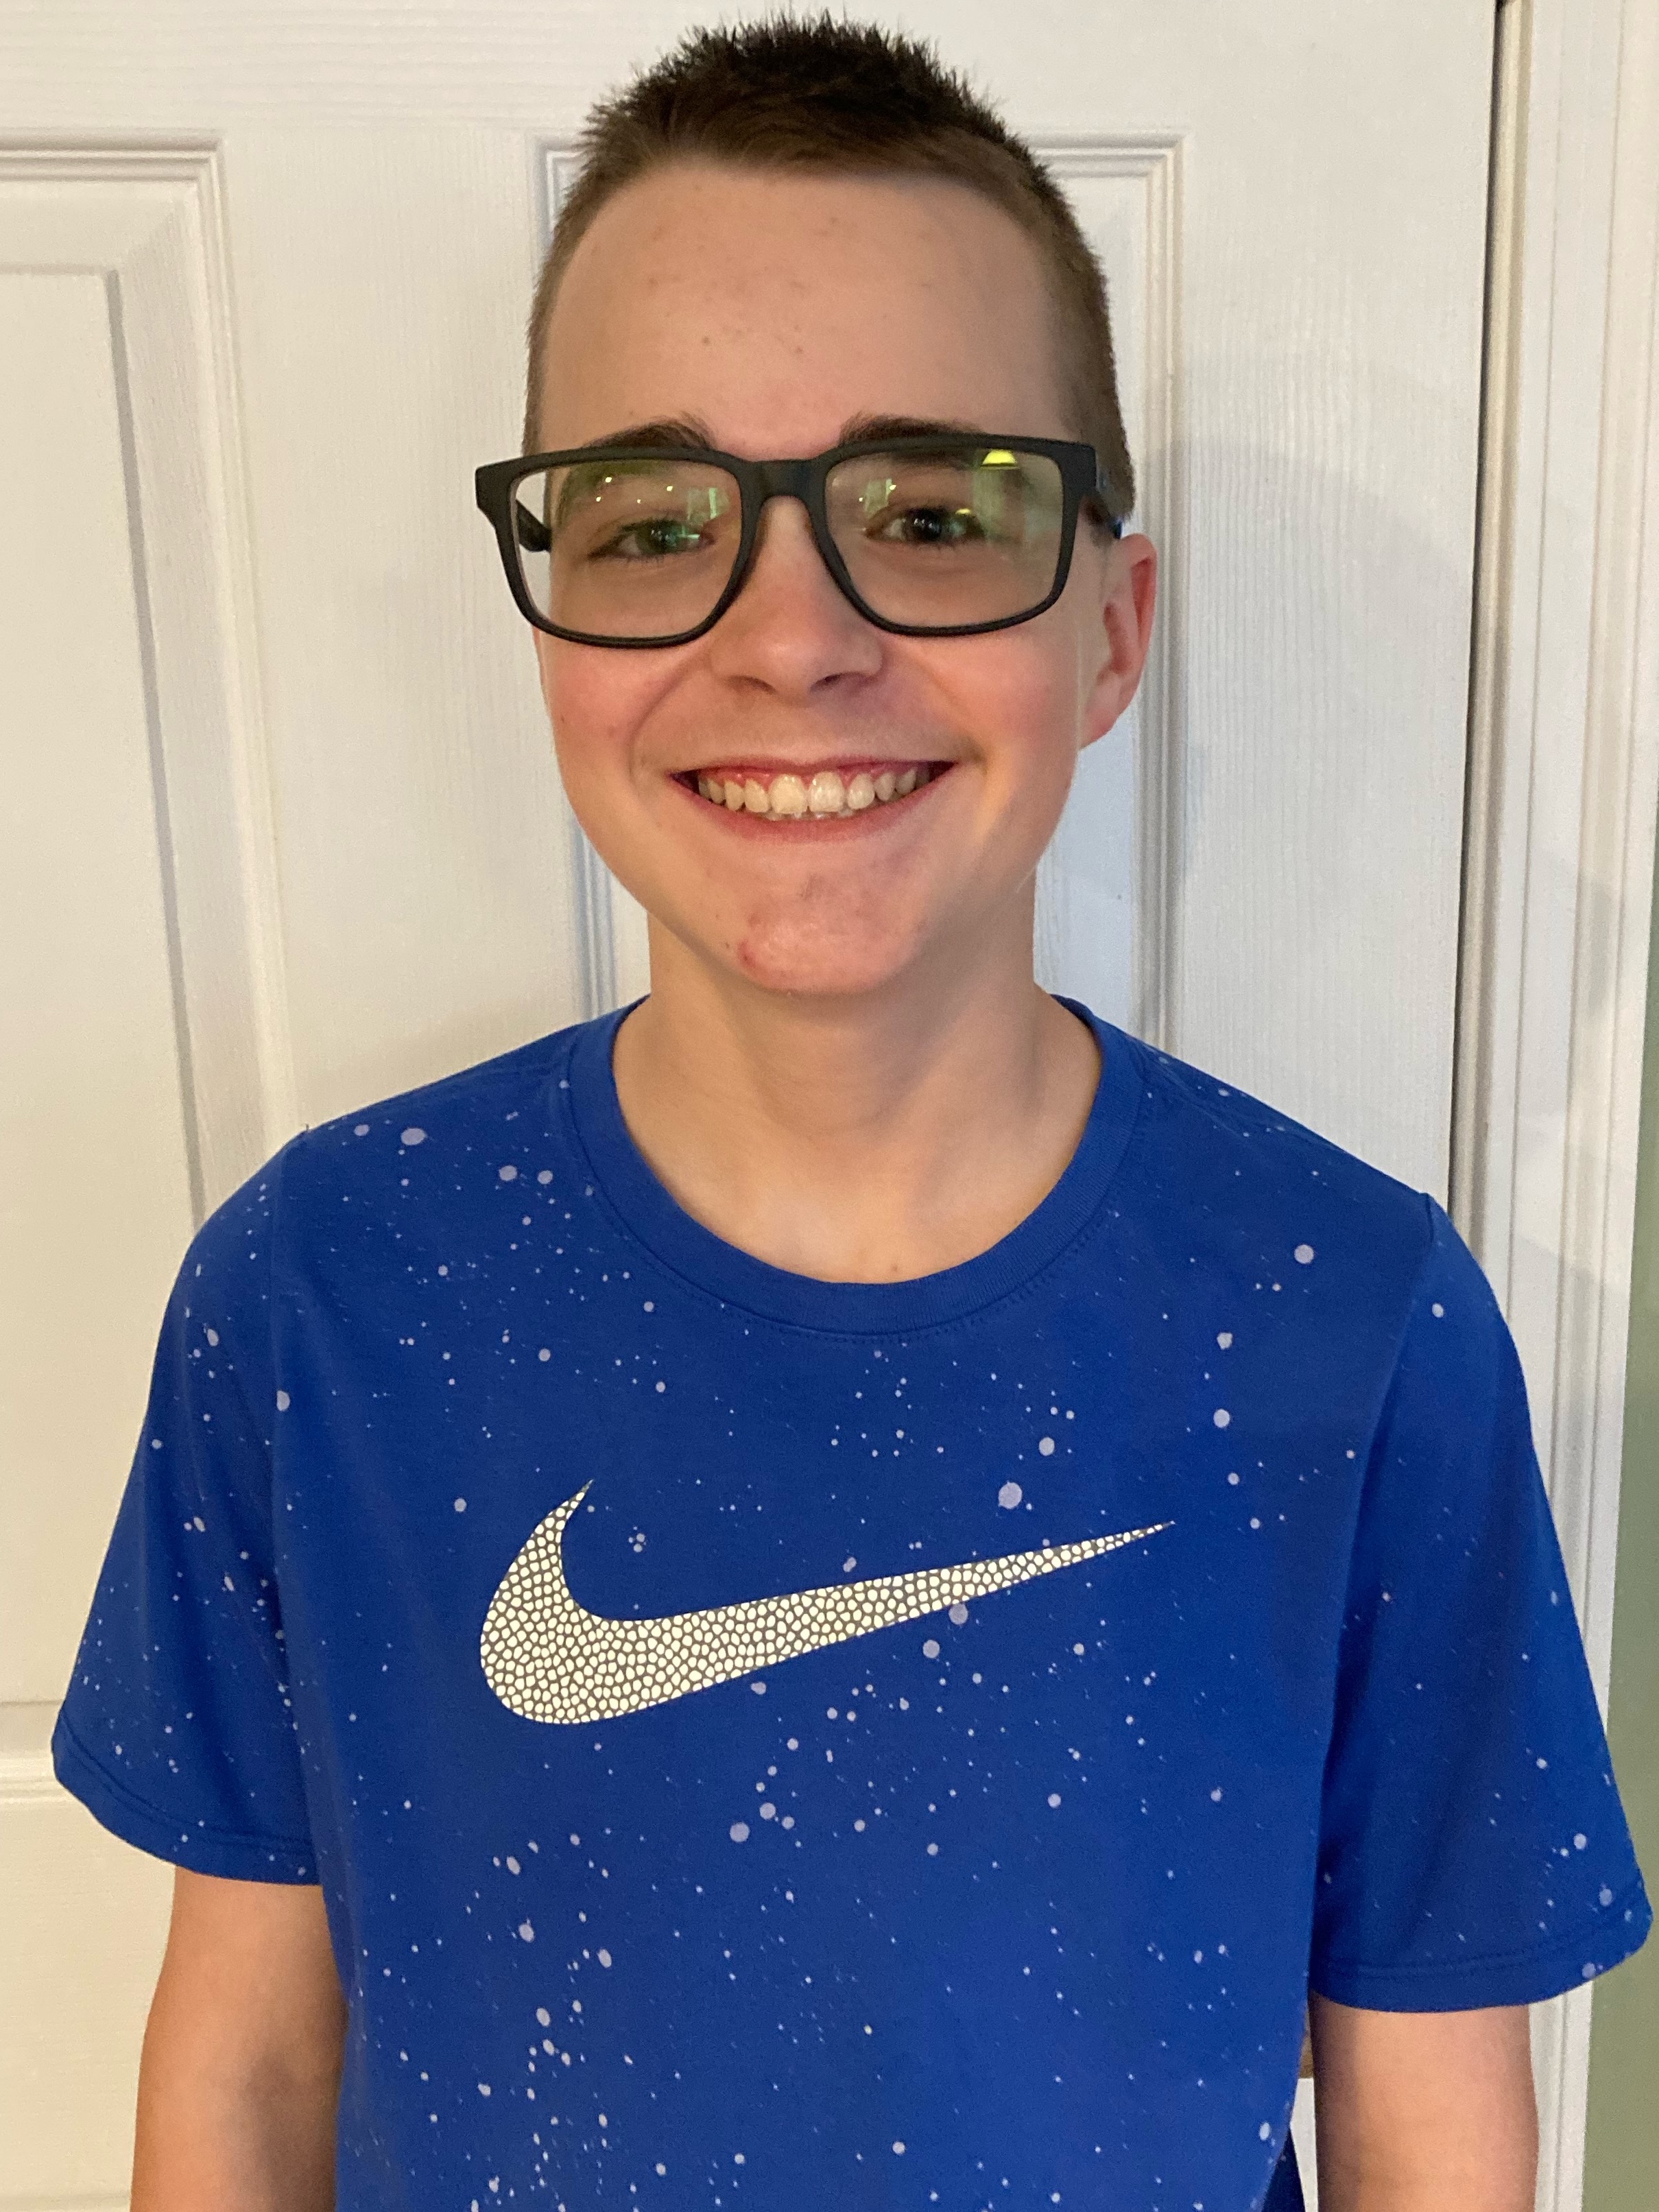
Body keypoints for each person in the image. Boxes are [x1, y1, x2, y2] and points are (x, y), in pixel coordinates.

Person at [53, 16, 1648, 2212]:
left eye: (931, 512)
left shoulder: (1358, 1326)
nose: (790, 638)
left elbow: (1431, 2118)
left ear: (1111, 629)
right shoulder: (318, 1294)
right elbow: (243, 2064)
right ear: (553, 623)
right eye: (652, 522)